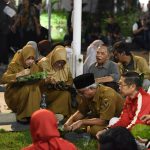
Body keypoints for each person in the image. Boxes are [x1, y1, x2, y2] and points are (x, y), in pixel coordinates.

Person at [96, 71, 150, 138]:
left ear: (132, 86)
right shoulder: (129, 97)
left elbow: (137, 124)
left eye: (121, 85)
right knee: (113, 121)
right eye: (119, 84)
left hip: (143, 133)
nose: (119, 87)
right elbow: (124, 120)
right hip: (132, 127)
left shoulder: (143, 99)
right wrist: (107, 130)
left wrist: (116, 134)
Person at [1, 45, 41, 123]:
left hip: (28, 92)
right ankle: (22, 115)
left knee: (35, 88)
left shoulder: (34, 66)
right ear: (23, 56)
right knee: (26, 88)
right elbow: (3, 79)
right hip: (13, 94)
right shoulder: (14, 64)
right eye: (28, 58)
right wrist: (19, 74)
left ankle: (33, 115)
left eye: (32, 58)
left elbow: (38, 79)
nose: (30, 61)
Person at [38, 45, 76, 117]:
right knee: (65, 94)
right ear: (53, 58)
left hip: (60, 90)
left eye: (62, 62)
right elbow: (37, 81)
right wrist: (48, 81)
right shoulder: (43, 64)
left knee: (69, 94)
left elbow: (70, 79)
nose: (60, 65)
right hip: (45, 92)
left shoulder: (65, 67)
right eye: (58, 62)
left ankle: (61, 114)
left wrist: (65, 85)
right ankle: (54, 114)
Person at [0, 0, 16, 65]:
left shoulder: (4, 5)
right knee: (3, 45)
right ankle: (3, 61)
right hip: (3, 29)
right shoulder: (4, 6)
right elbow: (13, 14)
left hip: (3, 29)